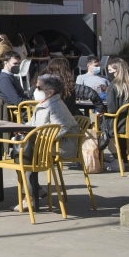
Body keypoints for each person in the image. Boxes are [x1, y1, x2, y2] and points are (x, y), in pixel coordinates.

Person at [18, 73, 80, 212]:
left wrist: (42, 140)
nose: (35, 90)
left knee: (24, 155)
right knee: (22, 152)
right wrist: (22, 129)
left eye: (38, 87)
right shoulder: (44, 103)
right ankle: (34, 192)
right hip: (47, 145)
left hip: (62, 147)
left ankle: (30, 197)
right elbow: (33, 124)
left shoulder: (56, 106)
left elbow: (61, 127)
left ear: (50, 92)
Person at [100, 57, 129, 169]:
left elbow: (112, 110)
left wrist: (102, 115)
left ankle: (118, 160)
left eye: (110, 70)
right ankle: (123, 159)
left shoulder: (113, 86)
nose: (109, 73)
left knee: (103, 128)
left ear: (116, 70)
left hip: (121, 126)